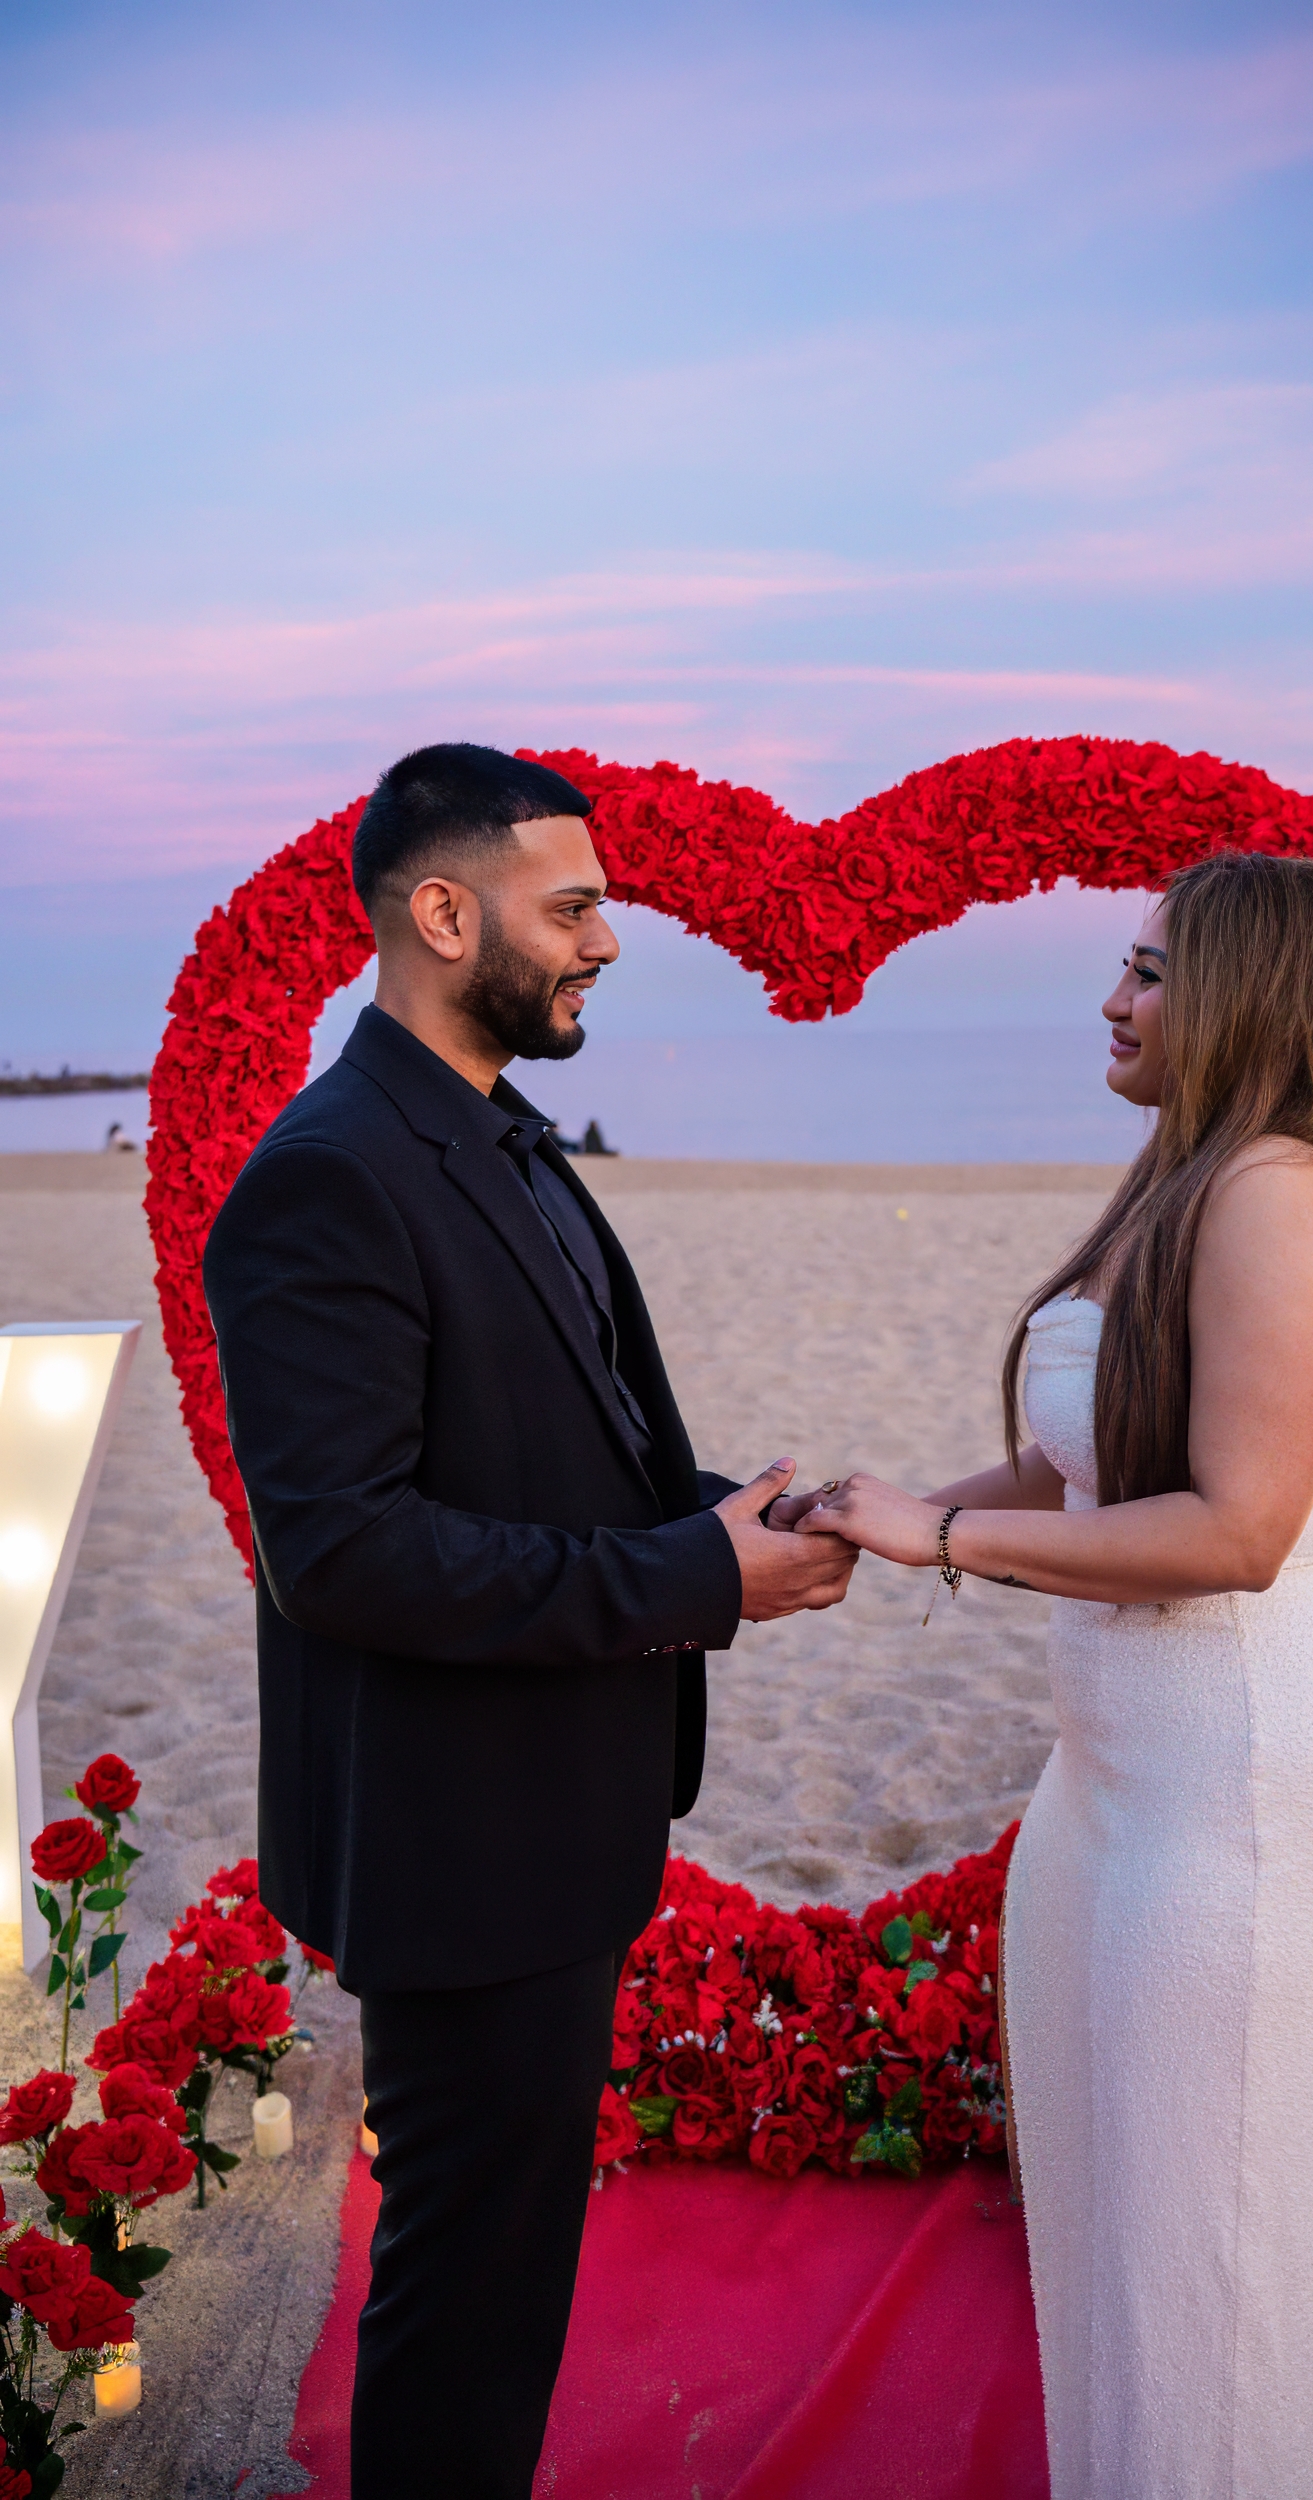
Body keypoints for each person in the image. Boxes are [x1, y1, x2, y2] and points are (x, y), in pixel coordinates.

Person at [202, 742, 857, 2500]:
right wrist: (698, 1582)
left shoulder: (497, 1135)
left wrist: (724, 1512)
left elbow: (559, 1440)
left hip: (551, 1827)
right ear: (441, 910)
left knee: (510, 2283)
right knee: (467, 2314)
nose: (607, 941)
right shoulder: (328, 1172)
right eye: (571, 906)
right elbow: (341, 1550)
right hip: (458, 1848)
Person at [792, 850, 1313, 2498]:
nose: (1114, 998)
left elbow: (1233, 1530)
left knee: (1211, 2281)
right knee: (1109, 2253)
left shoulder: (1286, 1192)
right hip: (1116, 1781)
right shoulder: (1186, 1179)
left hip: (1250, 1789)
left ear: (1244, 995)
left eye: (1148, 970)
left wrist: (941, 1549)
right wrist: (900, 1507)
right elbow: (1079, 1467)